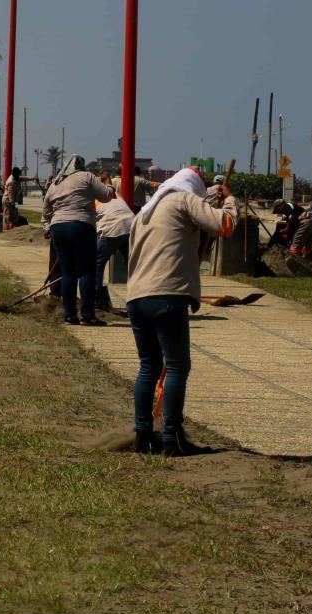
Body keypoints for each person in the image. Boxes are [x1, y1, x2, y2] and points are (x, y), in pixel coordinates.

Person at [127, 166, 238, 457]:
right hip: (167, 295)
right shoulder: (184, 200)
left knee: (149, 366)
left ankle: (141, 435)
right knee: (177, 366)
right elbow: (225, 225)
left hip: (136, 298)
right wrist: (229, 200)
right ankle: (171, 439)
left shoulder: (145, 213)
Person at [42, 154, 114, 326]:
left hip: (58, 228)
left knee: (68, 272)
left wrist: (47, 228)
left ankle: (69, 315)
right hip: (81, 225)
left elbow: (46, 210)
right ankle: (87, 315)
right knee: (86, 271)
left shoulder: (56, 183)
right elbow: (106, 196)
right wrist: (109, 183)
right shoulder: (86, 176)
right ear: (81, 166)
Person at [94, 195, 135, 312]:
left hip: (112, 228)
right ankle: (139, 299)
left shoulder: (90, 197)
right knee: (134, 264)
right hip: (132, 225)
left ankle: (96, 300)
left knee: (97, 263)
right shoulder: (115, 194)